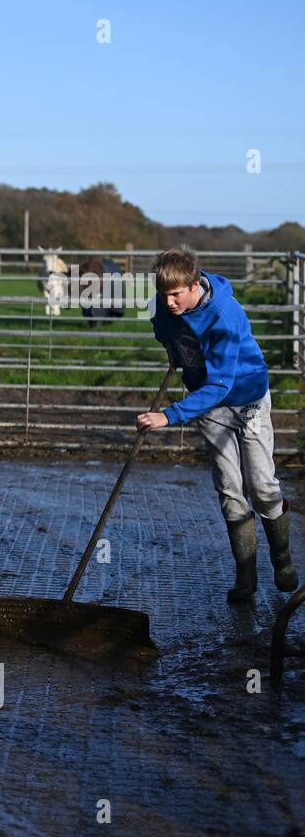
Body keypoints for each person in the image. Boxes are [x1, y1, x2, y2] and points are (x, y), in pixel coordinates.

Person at [137, 246, 296, 602]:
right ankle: (246, 577)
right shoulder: (166, 302)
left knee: (263, 486)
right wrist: (172, 347)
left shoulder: (225, 314)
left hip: (245, 399)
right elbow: (160, 325)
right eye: (164, 295)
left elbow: (221, 383)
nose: (170, 302)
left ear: (194, 285)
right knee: (228, 488)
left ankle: (282, 559)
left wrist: (170, 415)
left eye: (176, 295)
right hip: (209, 406)